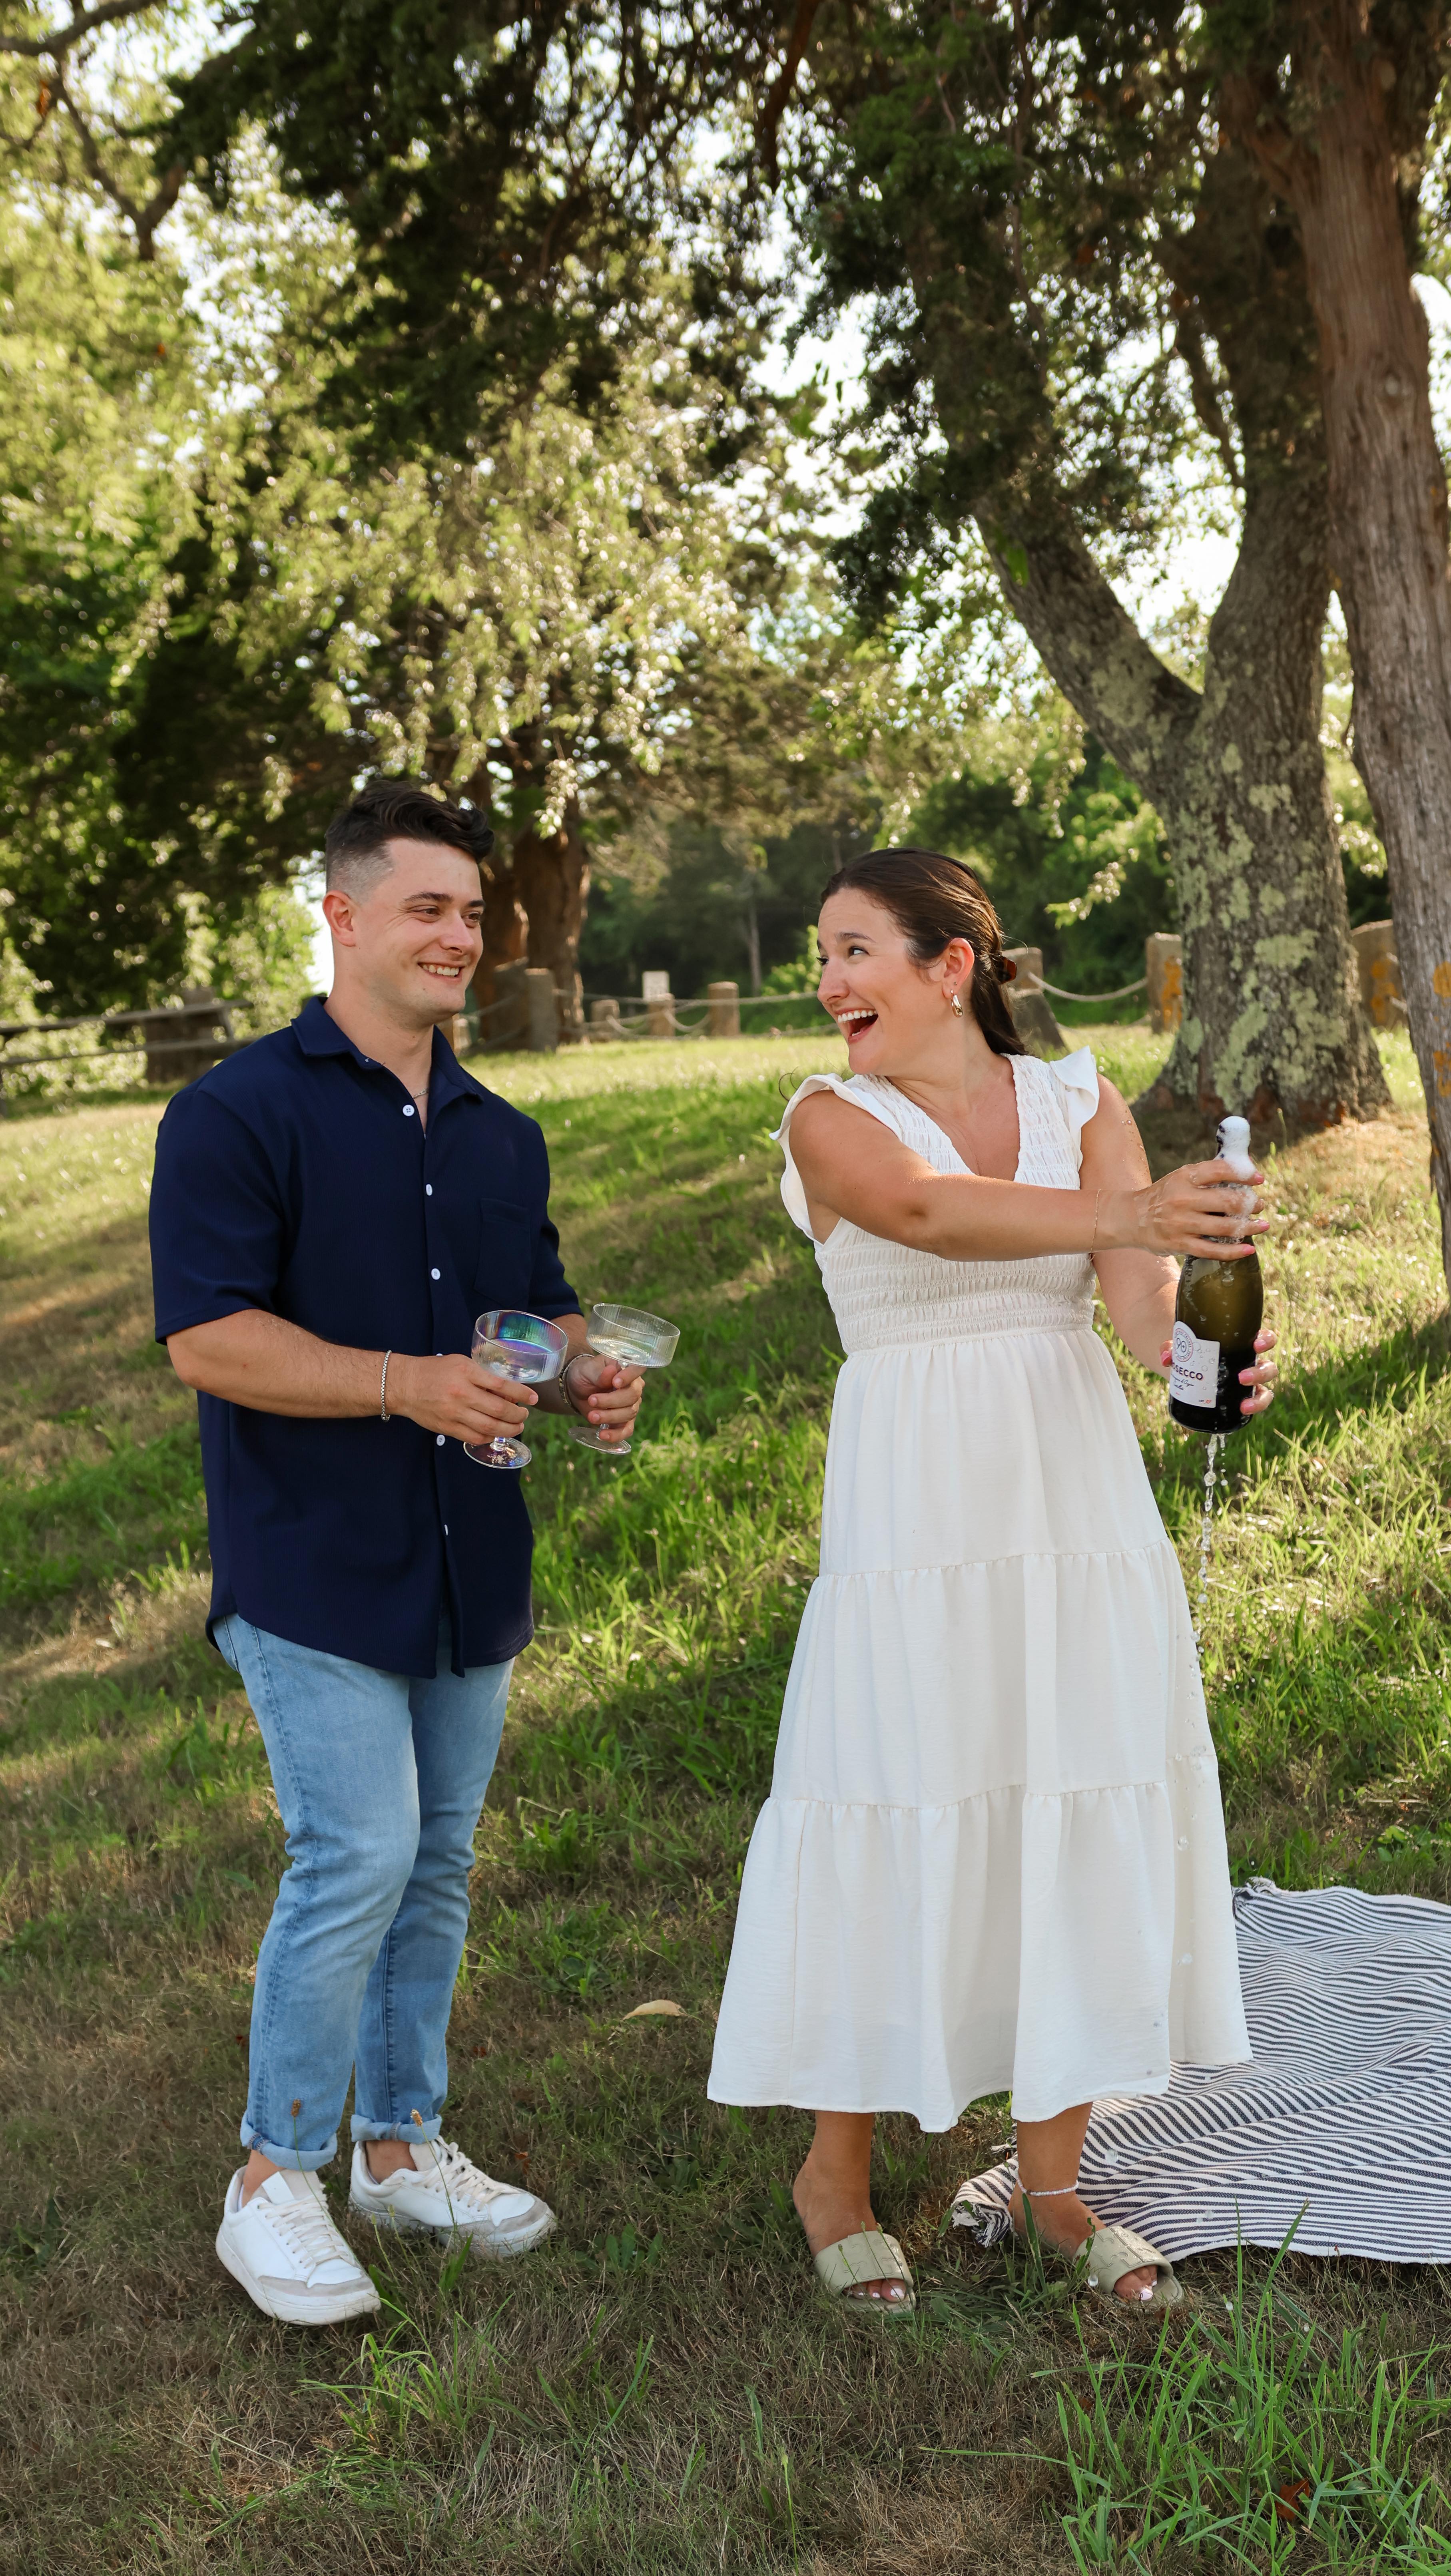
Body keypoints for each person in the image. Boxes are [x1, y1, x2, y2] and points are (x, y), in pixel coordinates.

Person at [708, 850, 1277, 2316]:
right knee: (894, 1793)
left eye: (853, 953)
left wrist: (1201, 1359)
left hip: (1069, 1494)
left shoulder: (1081, 1103)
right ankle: (834, 2175)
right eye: (824, 958)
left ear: (948, 966)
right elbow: (931, 1217)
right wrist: (1137, 1220)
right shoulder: (829, 1120)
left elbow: (1143, 1308)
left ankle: (1052, 2182)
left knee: (1069, 1789)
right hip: (914, 1509)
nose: (828, 983)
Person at [149, 781, 644, 2327]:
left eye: (472, 912)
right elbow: (210, 1340)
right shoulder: (237, 1111)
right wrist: (405, 1383)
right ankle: (271, 2180)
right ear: (344, 917)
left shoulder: (504, 1129)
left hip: (468, 1558)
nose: (458, 934)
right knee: (355, 1852)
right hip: (311, 1561)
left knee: (434, 1864)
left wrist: (584, 1372)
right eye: (424, 907)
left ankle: (402, 2145)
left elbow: (537, 1308)